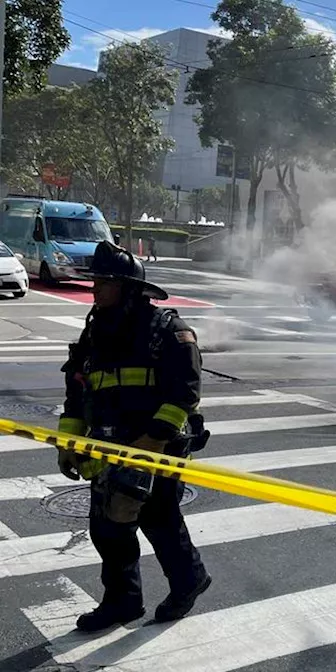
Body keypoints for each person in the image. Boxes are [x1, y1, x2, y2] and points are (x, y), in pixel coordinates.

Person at [55, 240, 211, 632]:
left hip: (155, 448)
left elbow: (185, 395)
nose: (96, 289)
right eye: (96, 281)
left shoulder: (168, 331)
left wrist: (153, 442)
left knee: (159, 520)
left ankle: (188, 580)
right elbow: (78, 390)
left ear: (128, 287)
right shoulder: (96, 333)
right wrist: (69, 444)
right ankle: (123, 601)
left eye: (106, 282)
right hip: (107, 447)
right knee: (107, 527)